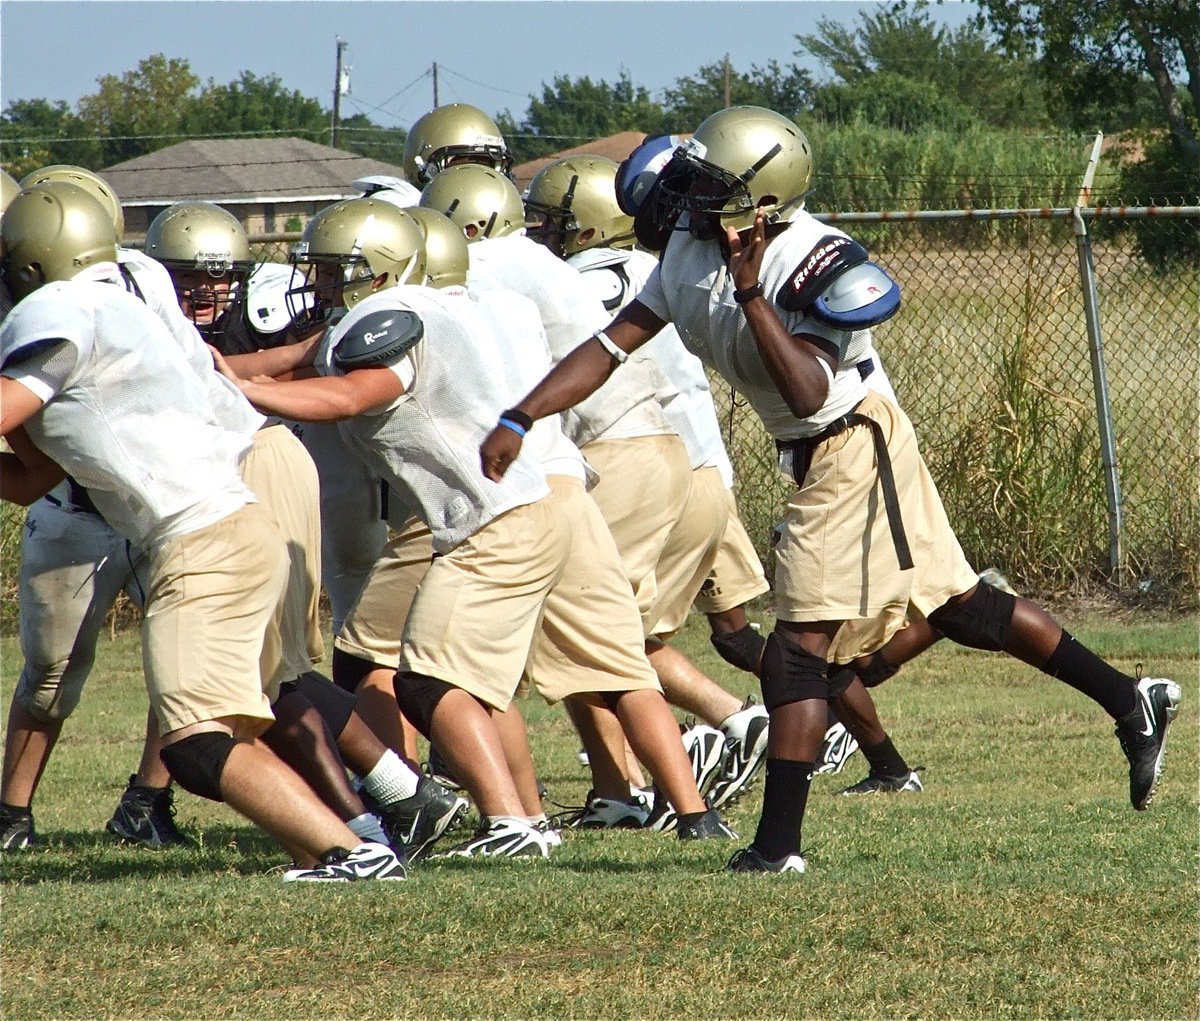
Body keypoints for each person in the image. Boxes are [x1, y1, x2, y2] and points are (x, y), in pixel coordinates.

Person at [479, 106, 1181, 875]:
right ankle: (1131, 699)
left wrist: (752, 293)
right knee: (964, 608)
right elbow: (609, 346)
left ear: (763, 201)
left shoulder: (818, 259)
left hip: (849, 440)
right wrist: (522, 414)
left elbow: (810, 390)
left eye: (712, 184)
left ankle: (777, 845)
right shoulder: (686, 246)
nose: (688, 194)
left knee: (796, 654)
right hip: (823, 447)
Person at [218, 196, 735, 857]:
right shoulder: (468, 307)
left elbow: (351, 393)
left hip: (495, 515)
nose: (318, 282)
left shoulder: (390, 317)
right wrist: (215, 371)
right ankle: (684, 814)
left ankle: (509, 823)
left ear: (383, 269)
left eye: (332, 268)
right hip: (550, 493)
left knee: (426, 679)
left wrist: (246, 392)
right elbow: (305, 359)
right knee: (599, 667)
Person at [0, 181, 404, 881]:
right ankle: (343, 842)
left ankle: (352, 850)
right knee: (243, 712)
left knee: (194, 740)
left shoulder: (57, 310)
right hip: (229, 525)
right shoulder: (127, 298)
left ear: (31, 263)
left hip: (203, 541)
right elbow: (31, 476)